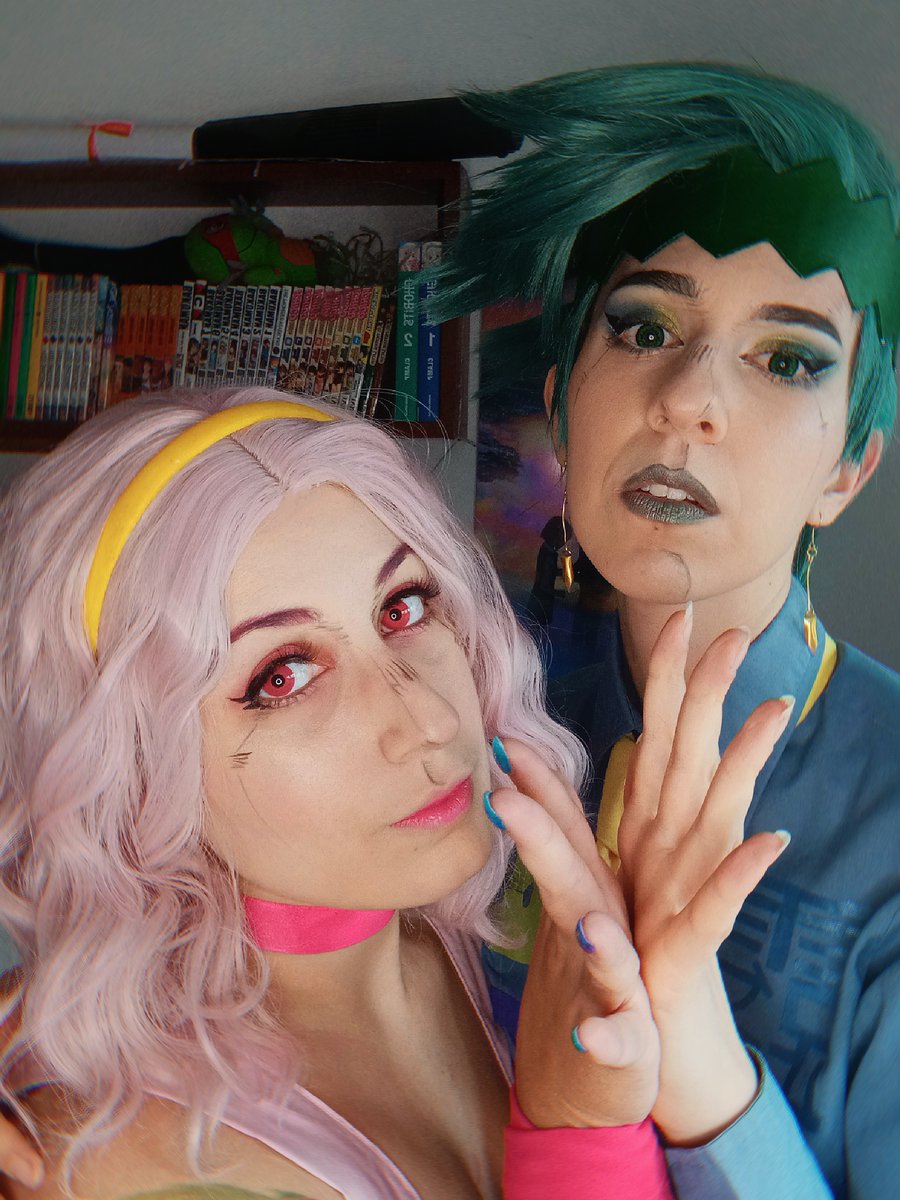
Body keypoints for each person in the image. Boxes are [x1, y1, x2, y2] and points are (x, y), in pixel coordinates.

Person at [0, 387, 801, 1197]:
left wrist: (685, 1023)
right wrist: (576, 1137)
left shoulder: (482, 928)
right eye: (284, 676)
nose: (428, 719)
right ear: (131, 766)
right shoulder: (131, 1163)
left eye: (403, 608)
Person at [433, 62, 899, 1199]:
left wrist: (705, 1074)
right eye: (645, 327)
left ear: (846, 469)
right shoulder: (462, 726)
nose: (689, 398)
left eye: (786, 358)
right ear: (560, 406)